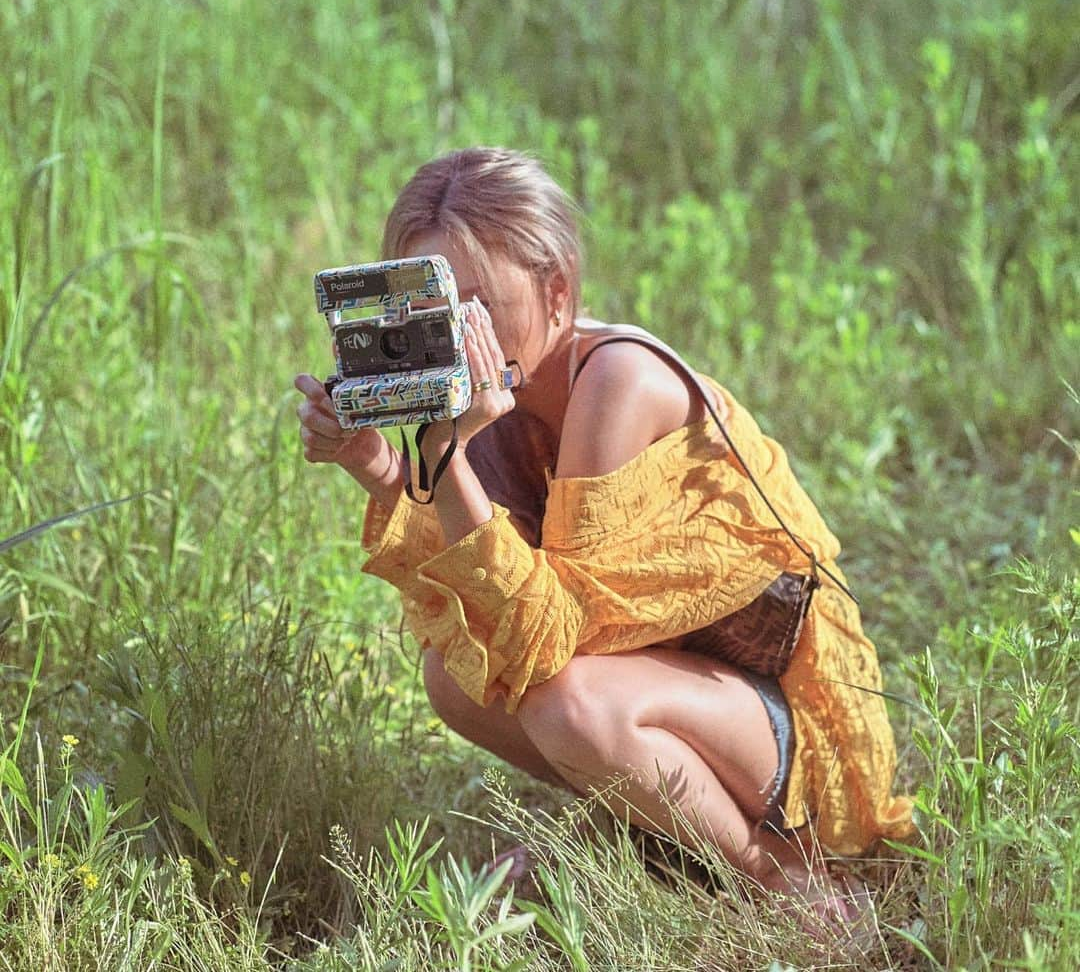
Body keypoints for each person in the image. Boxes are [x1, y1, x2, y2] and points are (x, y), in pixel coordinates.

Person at [294, 146, 914, 929]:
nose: (456, 334)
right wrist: (387, 470)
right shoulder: (492, 395)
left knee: (569, 705)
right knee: (454, 677)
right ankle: (651, 837)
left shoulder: (616, 383)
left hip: (792, 723)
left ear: (558, 292)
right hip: (691, 695)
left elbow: (548, 641)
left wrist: (441, 454)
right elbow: (492, 606)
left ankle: (785, 883)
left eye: (478, 304)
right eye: (432, 308)